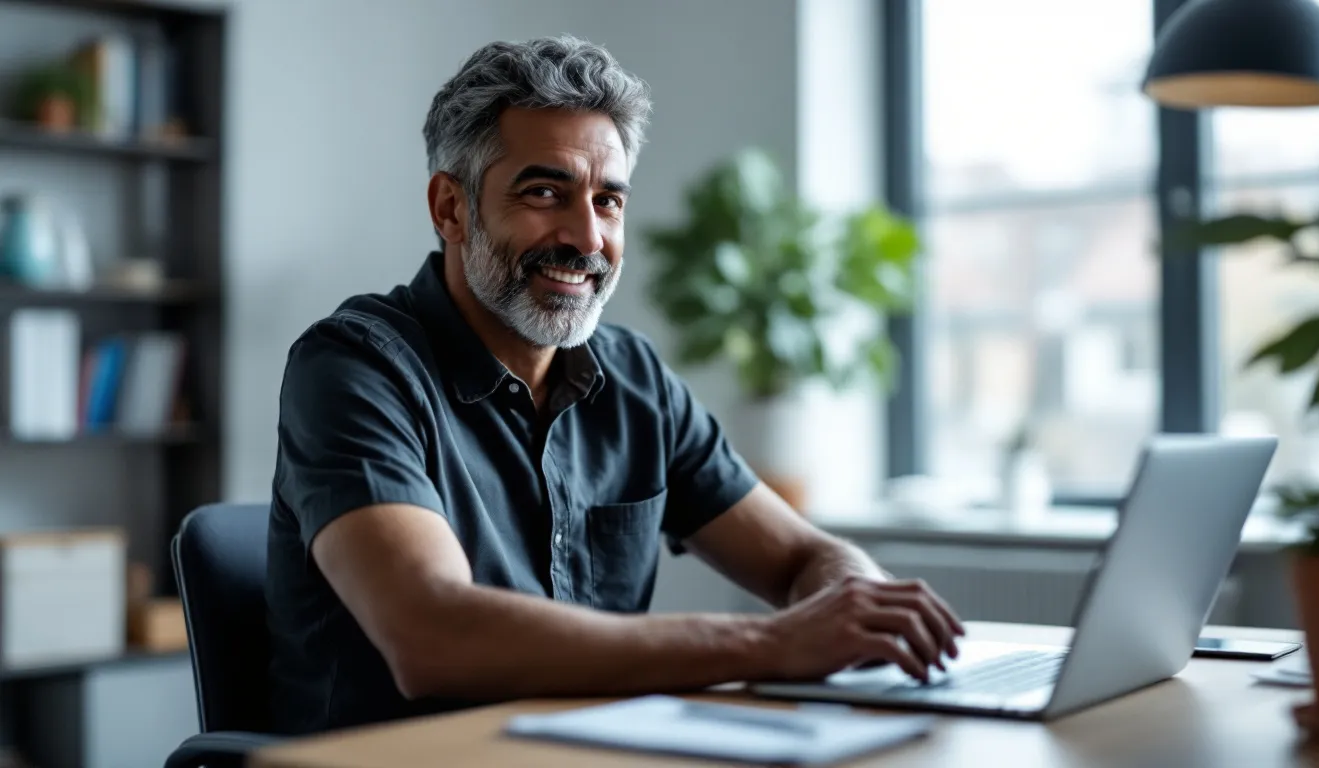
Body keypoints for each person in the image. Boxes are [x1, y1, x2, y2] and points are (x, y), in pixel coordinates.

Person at [265, 35, 963, 736]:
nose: (587, 236)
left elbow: (806, 558)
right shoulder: (354, 369)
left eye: (609, 201)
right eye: (545, 193)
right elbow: (432, 634)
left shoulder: (635, 380)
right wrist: (777, 645)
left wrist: (864, 613)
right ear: (451, 208)